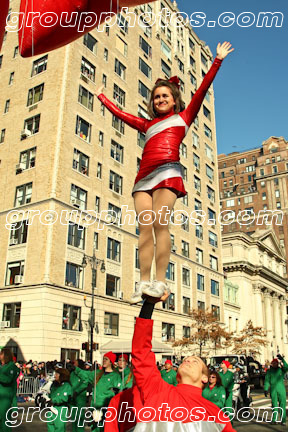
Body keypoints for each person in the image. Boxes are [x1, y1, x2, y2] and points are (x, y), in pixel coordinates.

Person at [95, 41, 234, 303]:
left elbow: (202, 90)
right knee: (144, 227)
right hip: (142, 178)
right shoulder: (146, 124)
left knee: (160, 222)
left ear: (174, 100)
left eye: (165, 96)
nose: (160, 99)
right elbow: (122, 114)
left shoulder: (183, 118)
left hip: (168, 171)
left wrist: (217, 60)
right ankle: (143, 282)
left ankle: (160, 282)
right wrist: (101, 97)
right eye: (156, 97)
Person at [131, 293, 236, 431]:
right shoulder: (157, 390)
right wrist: (149, 304)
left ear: (205, 377)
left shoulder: (216, 415)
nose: (188, 360)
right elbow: (141, 352)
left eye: (195, 361)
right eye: (186, 359)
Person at [74, 352, 122, 431]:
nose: (104, 361)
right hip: (95, 408)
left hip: (106, 409)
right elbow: (85, 375)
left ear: (111, 362)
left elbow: (119, 392)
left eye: (106, 359)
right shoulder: (98, 374)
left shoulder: (115, 376)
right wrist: (75, 369)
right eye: (103, 359)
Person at [42, 367, 73, 432]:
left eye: (57, 374)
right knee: (50, 427)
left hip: (60, 409)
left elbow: (64, 398)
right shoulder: (54, 385)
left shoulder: (66, 386)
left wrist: (53, 400)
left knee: (59, 428)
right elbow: (50, 393)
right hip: (51, 408)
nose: (55, 375)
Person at [264, 355, 288, 425]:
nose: (275, 364)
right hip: (273, 389)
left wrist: (282, 360)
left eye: (276, 363)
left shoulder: (281, 370)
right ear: (272, 364)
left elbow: (286, 367)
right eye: (273, 363)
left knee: (282, 404)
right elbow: (267, 381)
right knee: (274, 405)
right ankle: (274, 419)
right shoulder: (269, 372)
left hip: (281, 389)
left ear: (278, 363)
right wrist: (266, 389)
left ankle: (283, 420)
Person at [0, 348, 20, 432]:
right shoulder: (3, 367)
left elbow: (8, 380)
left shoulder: (11, 367)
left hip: (5, 399)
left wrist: (15, 407)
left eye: (1, 354)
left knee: (4, 423)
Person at [69, 359, 89, 432]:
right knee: (73, 417)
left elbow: (85, 382)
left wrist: (77, 391)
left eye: (76, 363)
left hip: (80, 397)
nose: (74, 364)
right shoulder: (72, 373)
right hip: (72, 397)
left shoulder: (83, 373)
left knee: (80, 417)